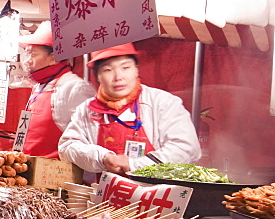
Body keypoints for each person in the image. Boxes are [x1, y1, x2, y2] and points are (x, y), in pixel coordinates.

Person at [59, 43, 201, 175]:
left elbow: (187, 148)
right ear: (97, 76)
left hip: (157, 196)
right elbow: (67, 147)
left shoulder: (163, 102)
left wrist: (135, 165)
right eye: (108, 70)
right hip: (105, 197)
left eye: (125, 67)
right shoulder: (87, 110)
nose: (118, 77)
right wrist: (103, 157)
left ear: (136, 70)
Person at [17, 21, 94, 158]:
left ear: (53, 57)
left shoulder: (74, 87)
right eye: (27, 54)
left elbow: (88, 140)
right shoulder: (39, 86)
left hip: (55, 174)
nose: (27, 61)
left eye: (33, 54)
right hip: (28, 169)